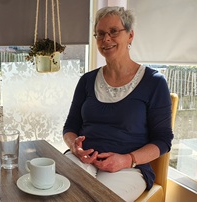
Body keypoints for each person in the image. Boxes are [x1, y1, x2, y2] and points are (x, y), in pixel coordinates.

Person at [63, 6, 173, 202]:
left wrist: (128, 159)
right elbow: (70, 127)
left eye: (114, 31)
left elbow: (163, 141)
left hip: (128, 168)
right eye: (100, 34)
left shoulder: (154, 82)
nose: (106, 39)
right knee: (59, 194)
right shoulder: (87, 81)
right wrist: (74, 147)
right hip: (83, 159)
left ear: (130, 35)